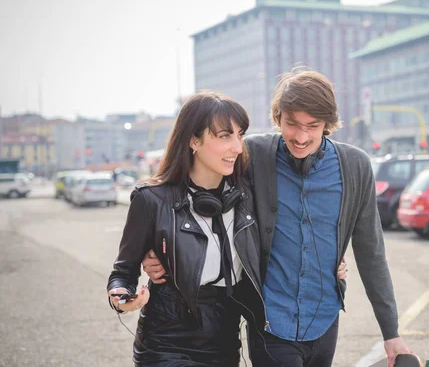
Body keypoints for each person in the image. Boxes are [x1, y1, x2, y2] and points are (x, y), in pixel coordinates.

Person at [143, 69, 412, 367]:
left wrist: (391, 332)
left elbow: (371, 253)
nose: (301, 136)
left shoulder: (355, 166)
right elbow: (193, 186)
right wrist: (155, 244)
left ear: (328, 125)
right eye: (291, 124)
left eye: (313, 126)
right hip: (271, 321)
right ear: (278, 117)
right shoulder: (253, 155)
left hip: (325, 320)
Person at [106, 91, 263, 367]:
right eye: (225, 135)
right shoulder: (151, 200)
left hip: (225, 341)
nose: (237, 147)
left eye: (240, 135)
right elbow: (123, 273)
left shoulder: (247, 197)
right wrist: (123, 299)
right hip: (166, 342)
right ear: (193, 140)